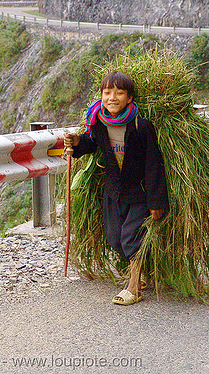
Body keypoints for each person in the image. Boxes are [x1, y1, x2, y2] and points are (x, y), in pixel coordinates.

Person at [64, 71, 169, 306]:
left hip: (140, 193)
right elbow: (93, 144)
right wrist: (78, 142)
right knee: (115, 239)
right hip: (113, 191)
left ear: (129, 98)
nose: (112, 97)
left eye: (119, 93)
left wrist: (156, 202)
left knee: (131, 238)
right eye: (107, 92)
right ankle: (143, 269)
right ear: (101, 95)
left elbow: (154, 164)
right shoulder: (99, 122)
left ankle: (133, 288)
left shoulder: (142, 126)